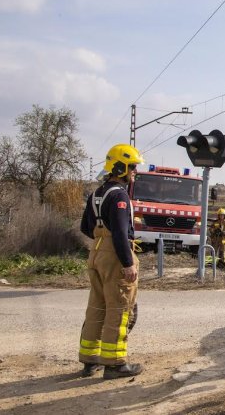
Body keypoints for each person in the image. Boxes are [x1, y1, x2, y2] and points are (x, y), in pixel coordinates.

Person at [78, 143, 145, 379]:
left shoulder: (97, 193)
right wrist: (127, 263)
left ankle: (90, 360)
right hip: (115, 255)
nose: (134, 172)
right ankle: (115, 363)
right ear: (122, 167)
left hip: (96, 252)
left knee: (97, 307)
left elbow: (85, 227)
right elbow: (119, 232)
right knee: (119, 308)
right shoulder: (119, 195)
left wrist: (101, 240)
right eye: (133, 168)